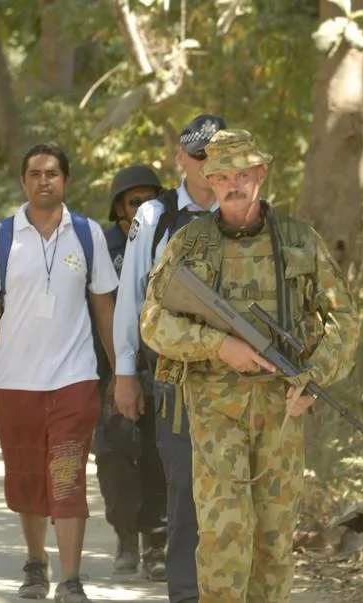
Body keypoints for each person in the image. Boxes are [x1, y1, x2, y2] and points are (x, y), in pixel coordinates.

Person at [139, 129, 360, 602]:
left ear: (261, 174)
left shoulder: (300, 240)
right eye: (222, 176)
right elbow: (153, 323)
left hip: (282, 408)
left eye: (244, 174)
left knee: (275, 540)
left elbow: (344, 319)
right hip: (215, 408)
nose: (233, 185)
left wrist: (314, 374)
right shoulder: (189, 244)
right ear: (209, 180)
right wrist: (217, 344)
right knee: (223, 534)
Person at [0, 143, 119, 603]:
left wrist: (122, 371)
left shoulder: (86, 235)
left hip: (74, 379)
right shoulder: (3, 237)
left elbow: (104, 306)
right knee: (26, 477)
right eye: (34, 173)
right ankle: (35, 564)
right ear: (24, 181)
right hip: (14, 382)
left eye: (52, 173)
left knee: (66, 475)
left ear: (65, 180)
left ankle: (71, 580)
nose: (43, 180)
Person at [113, 113, 227, 603]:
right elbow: (131, 297)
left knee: (230, 491)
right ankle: (185, 592)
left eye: (218, 155)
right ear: (181, 157)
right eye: (199, 155)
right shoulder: (155, 216)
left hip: (237, 377)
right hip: (174, 376)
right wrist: (124, 373)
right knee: (183, 488)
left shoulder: (248, 210)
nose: (209, 166)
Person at [92, 165, 168, 580]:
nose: (140, 208)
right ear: (119, 206)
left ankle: (157, 542)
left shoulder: (174, 239)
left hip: (165, 367)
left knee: (160, 455)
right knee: (114, 452)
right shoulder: (104, 248)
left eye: (147, 200)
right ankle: (126, 535)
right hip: (114, 370)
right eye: (132, 201)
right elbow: (93, 312)